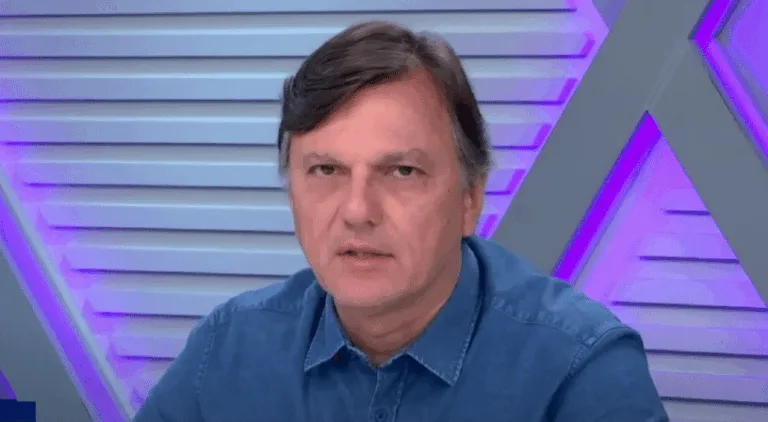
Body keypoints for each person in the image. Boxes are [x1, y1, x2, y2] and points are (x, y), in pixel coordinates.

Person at [134, 21, 668, 422]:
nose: (357, 211)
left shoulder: (581, 370)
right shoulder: (229, 347)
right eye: (326, 170)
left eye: (402, 171)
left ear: (470, 198)